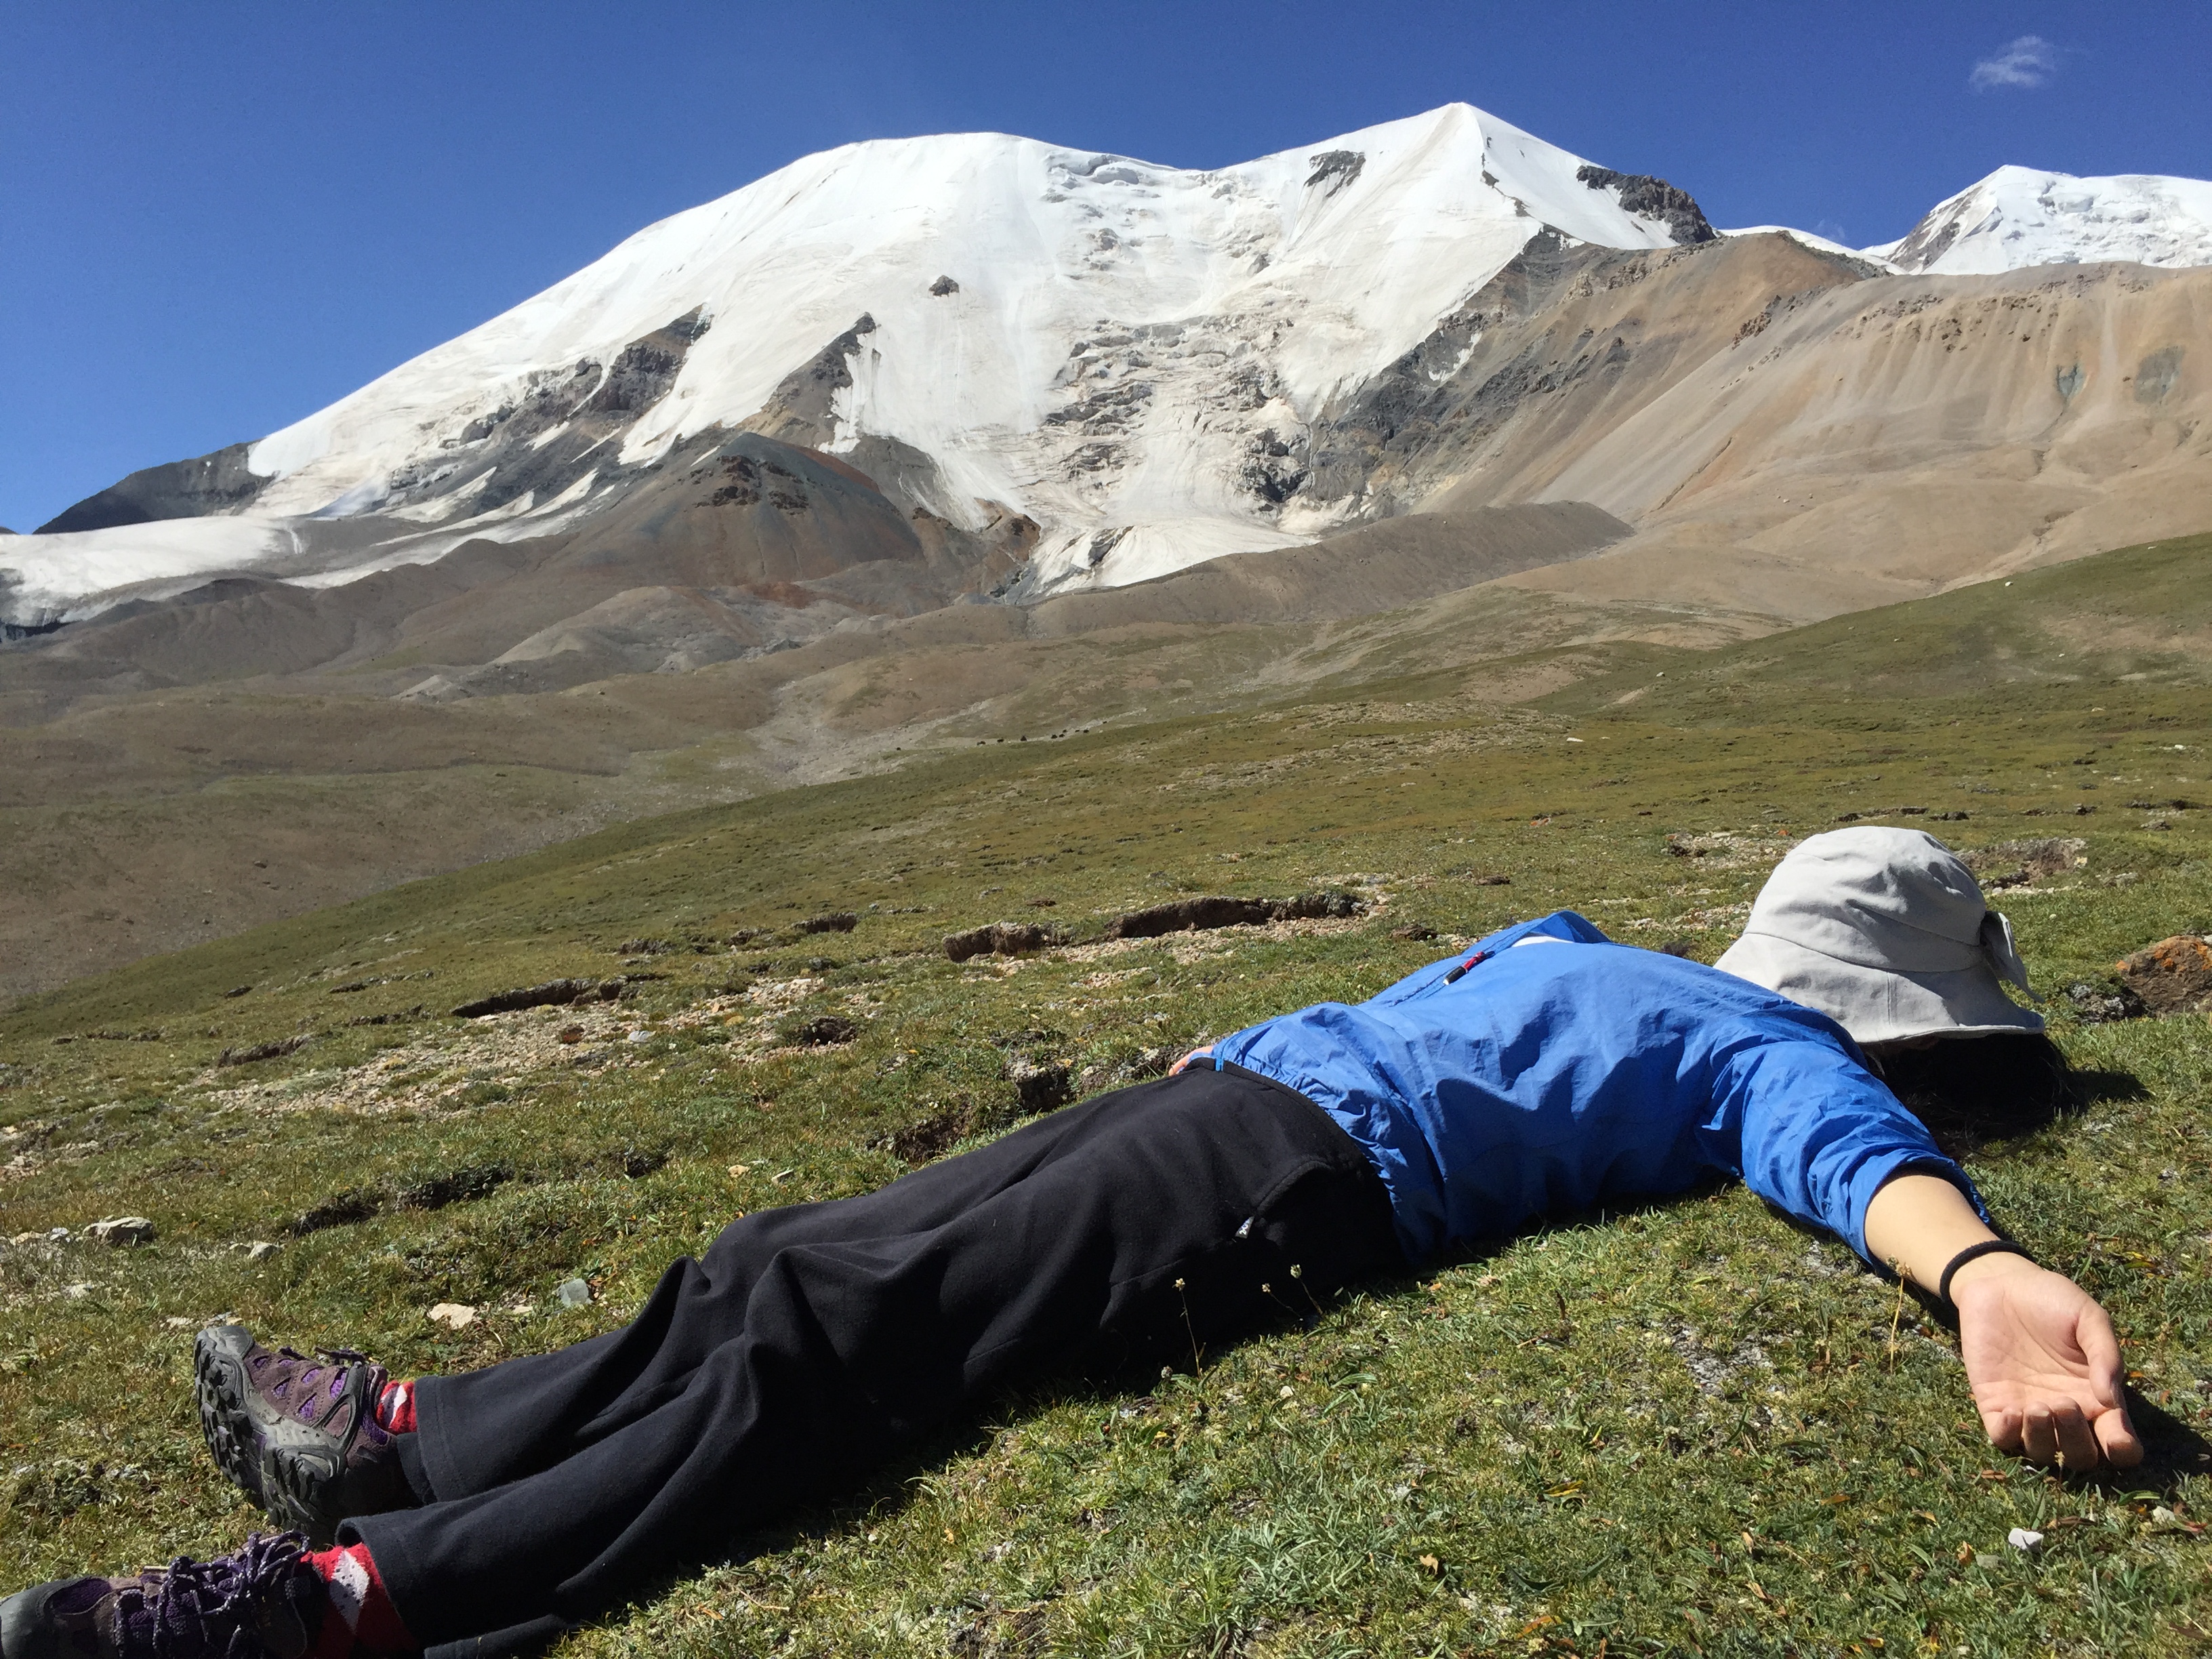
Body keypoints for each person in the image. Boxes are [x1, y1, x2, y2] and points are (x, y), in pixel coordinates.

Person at [1, 827, 2141, 1659]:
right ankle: (406, 1434)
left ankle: (353, 1603)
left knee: (832, 1346)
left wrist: (1978, 1276)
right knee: (768, 1262)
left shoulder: (1756, 1048)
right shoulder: (1610, 955)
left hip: (1297, 1189)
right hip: (1215, 1114)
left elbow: (1840, 1143)